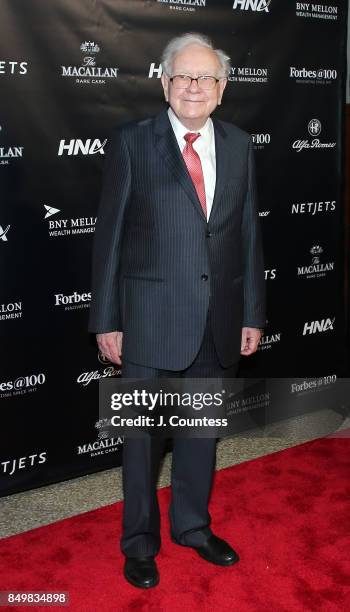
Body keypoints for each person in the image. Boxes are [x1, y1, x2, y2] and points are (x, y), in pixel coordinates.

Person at [89, 32, 266, 589]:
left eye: (206, 77)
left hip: (217, 320)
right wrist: (107, 320)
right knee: (141, 446)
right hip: (148, 320)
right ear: (164, 82)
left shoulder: (238, 144)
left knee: (199, 437)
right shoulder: (132, 141)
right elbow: (110, 238)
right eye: (183, 76)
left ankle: (193, 527)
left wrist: (251, 314)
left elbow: (248, 236)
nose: (194, 86)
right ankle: (139, 543)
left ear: (222, 88)